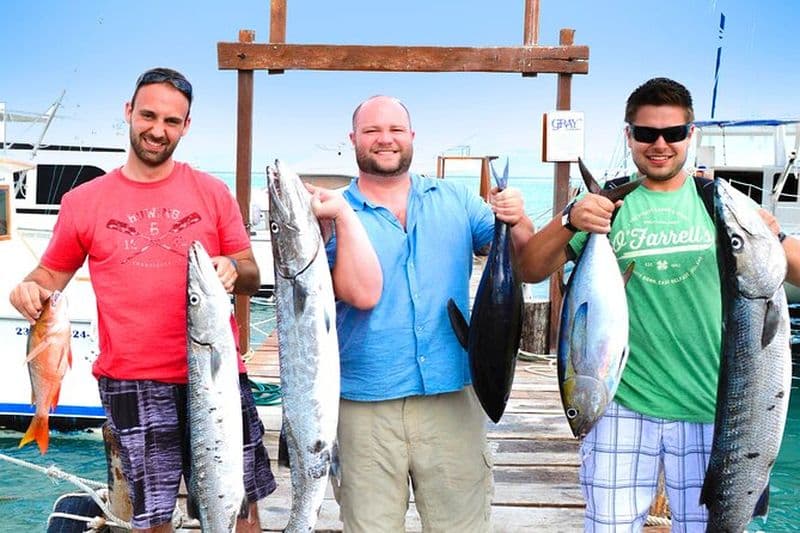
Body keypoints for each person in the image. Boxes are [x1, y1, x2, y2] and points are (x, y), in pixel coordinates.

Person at [518, 77, 800, 532]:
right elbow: (529, 268)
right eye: (647, 133)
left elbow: (785, 269)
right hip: (621, 405)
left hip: (717, 409)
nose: (660, 144)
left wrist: (777, 236)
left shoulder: (723, 204)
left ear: (692, 135)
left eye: (673, 133)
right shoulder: (605, 202)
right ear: (629, 135)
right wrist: (571, 220)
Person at [8, 67, 275, 533]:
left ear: (187, 125)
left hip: (216, 375)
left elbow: (250, 272)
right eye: (148, 115)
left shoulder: (212, 192)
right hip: (133, 380)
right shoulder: (84, 200)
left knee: (241, 507)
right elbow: (50, 274)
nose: (158, 130)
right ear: (128, 112)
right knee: (151, 519)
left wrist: (235, 270)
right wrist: (26, 288)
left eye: (172, 121)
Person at [324, 94, 535, 532]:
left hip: (452, 399)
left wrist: (518, 218)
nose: (385, 139)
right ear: (353, 140)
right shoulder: (331, 214)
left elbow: (521, 254)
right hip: (364, 406)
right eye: (372, 131)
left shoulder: (457, 200)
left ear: (412, 137)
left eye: (396, 129)